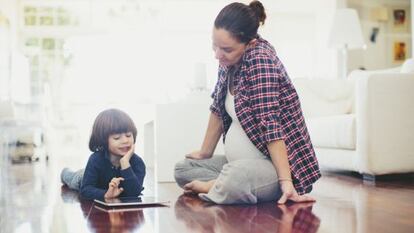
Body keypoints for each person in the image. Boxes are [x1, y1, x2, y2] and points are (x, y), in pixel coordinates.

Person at [174, 1, 321, 204]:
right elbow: (217, 107)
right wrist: (205, 152)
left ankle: (218, 185)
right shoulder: (228, 60)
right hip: (237, 164)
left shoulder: (261, 62)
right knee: (183, 169)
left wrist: (286, 182)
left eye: (225, 49)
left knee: (236, 177)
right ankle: (222, 184)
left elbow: (271, 126)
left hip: (272, 166)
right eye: (214, 45)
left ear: (249, 43)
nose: (217, 55)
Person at [61, 108, 146, 201]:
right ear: (103, 140)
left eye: (129, 135)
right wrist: (106, 194)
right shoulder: (95, 159)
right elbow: (85, 190)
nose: (125, 141)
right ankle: (64, 172)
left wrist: (125, 163)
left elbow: (134, 194)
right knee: (71, 178)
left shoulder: (138, 163)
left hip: (98, 179)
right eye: (117, 138)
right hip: (82, 178)